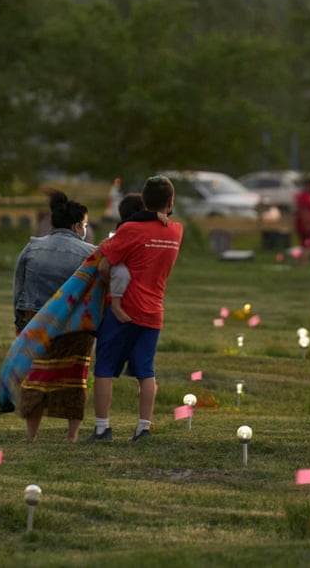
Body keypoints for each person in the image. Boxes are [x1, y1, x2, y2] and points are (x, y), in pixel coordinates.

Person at [87, 175, 183, 442]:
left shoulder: (131, 231)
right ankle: (143, 428)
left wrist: (111, 289)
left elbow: (104, 263)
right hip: (153, 311)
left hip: (123, 309)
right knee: (146, 371)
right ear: (171, 202)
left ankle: (102, 428)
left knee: (105, 368)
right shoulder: (176, 231)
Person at [12, 190, 96, 442]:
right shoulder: (90, 253)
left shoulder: (32, 247)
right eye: (84, 224)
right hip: (74, 326)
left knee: (36, 376)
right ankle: (72, 435)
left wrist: (19, 323)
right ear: (76, 225)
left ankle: (31, 435)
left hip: (35, 320)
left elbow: (19, 286)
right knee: (74, 378)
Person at [109, 193, 168, 323]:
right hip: (118, 267)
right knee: (121, 273)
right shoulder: (128, 226)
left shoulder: (130, 226)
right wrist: (154, 215)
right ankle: (116, 305)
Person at [293, 175, 310, 265]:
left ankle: (302, 264)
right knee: (306, 246)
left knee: (307, 246)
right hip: (306, 226)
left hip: (306, 225)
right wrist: (309, 226)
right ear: (309, 185)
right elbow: (304, 212)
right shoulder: (304, 197)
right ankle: (302, 266)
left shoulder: (307, 196)